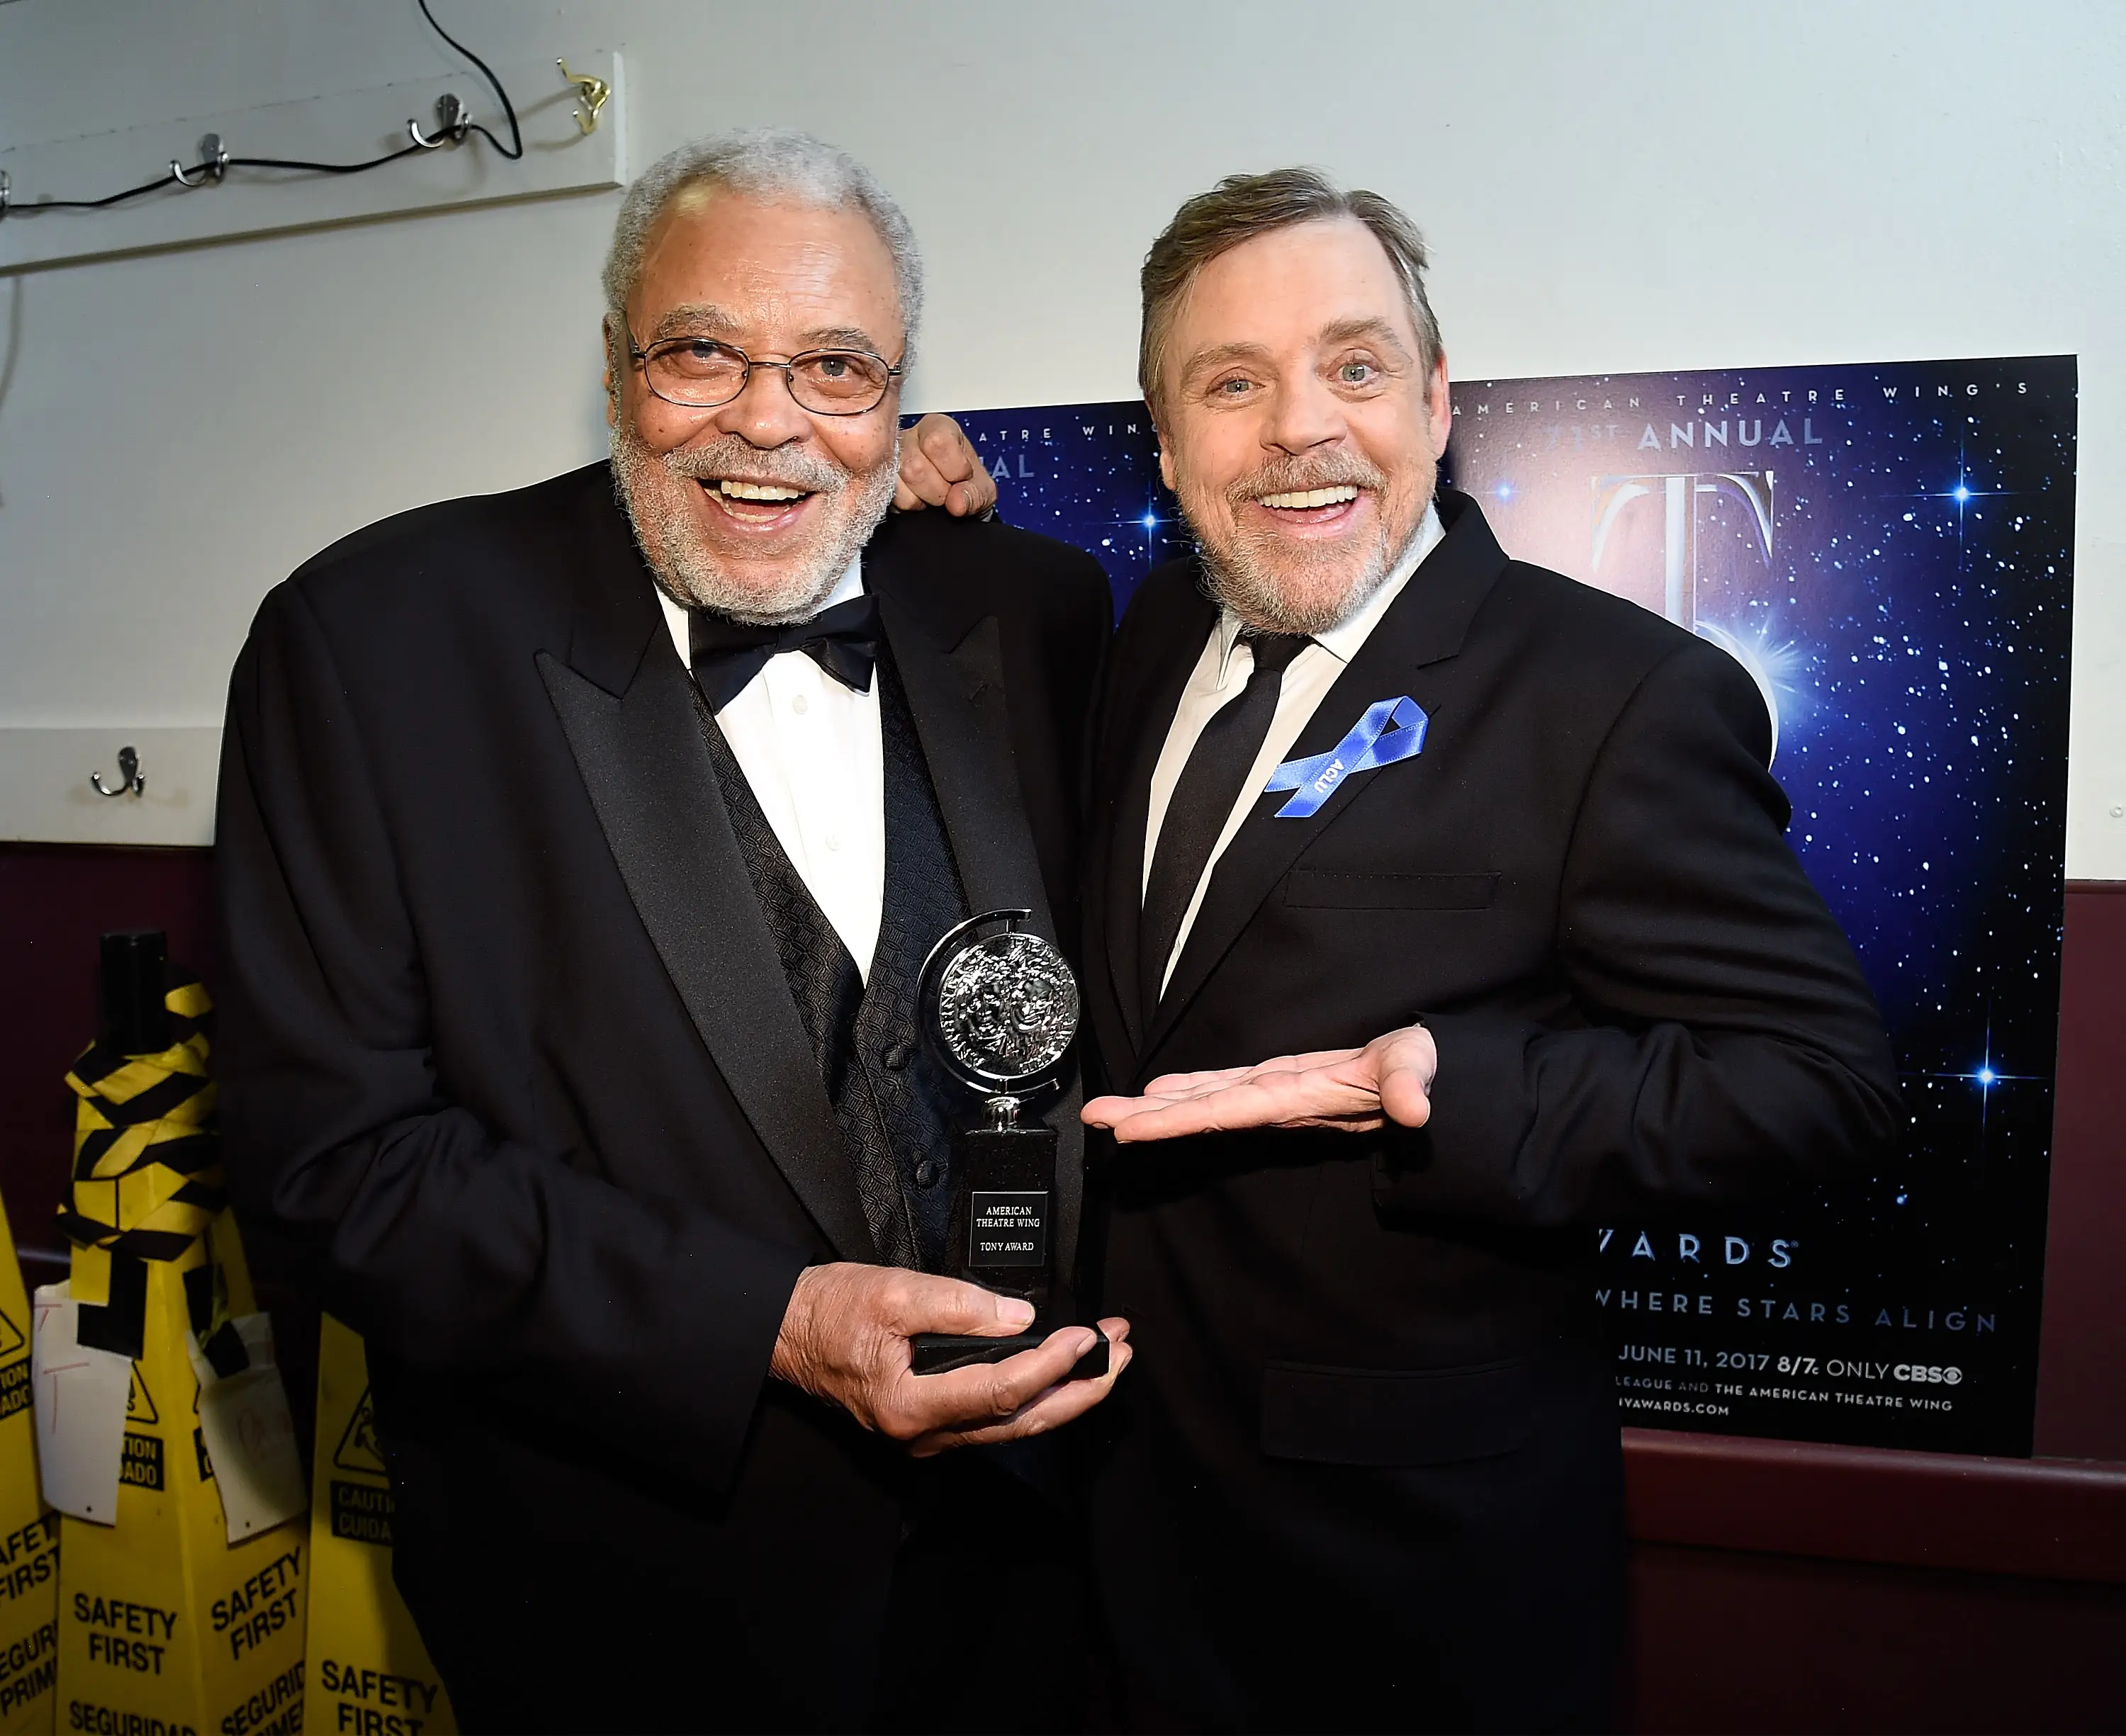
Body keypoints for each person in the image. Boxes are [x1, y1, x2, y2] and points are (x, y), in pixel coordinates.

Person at [216, 130, 1129, 1734]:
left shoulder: (1025, 612)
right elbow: (329, 1168)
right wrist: (766, 1326)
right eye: (704, 352)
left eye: (835, 368)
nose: (769, 419)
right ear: (614, 359)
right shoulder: (372, 642)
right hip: (623, 1607)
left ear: (900, 392)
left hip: (1024, 1587)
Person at [1078, 169, 1902, 1732]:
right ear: (1169, 440)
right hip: (1115, 1549)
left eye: (1357, 365)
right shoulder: (1136, 650)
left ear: (1439, 398)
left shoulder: (1617, 696)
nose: (1301, 425)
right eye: (1233, 382)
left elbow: (1821, 1083)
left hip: (1414, 1594)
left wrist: (1447, 1089)